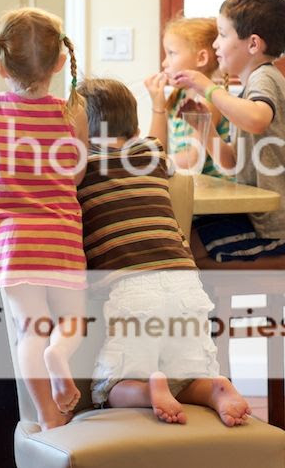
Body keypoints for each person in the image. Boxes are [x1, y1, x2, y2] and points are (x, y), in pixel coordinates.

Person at [77, 77, 251, 426]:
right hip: (185, 283)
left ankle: (146, 391)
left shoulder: (81, 167)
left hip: (133, 289)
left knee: (110, 387)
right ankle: (214, 388)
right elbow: (163, 149)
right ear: (134, 128)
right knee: (186, 377)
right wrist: (157, 108)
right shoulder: (153, 153)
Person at [0, 8, 88, 430]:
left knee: (29, 331)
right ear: (60, 62)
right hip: (60, 237)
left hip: (13, 244)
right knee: (71, 322)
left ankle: (47, 415)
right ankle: (60, 353)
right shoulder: (71, 113)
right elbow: (76, 174)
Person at [173, 0, 285, 271]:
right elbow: (231, 163)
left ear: (253, 44)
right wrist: (205, 129)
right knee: (181, 242)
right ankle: (282, 262)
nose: (216, 44)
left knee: (185, 254)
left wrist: (208, 88)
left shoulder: (264, 79)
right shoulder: (249, 91)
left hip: (279, 224)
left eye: (223, 34)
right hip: (260, 217)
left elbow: (257, 119)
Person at [146, 17, 231, 177]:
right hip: (193, 185)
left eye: (171, 53)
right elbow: (157, 149)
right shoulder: (177, 96)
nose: (164, 63)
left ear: (201, 58)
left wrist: (153, 162)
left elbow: (192, 160)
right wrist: (158, 105)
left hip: (215, 189)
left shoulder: (209, 100)